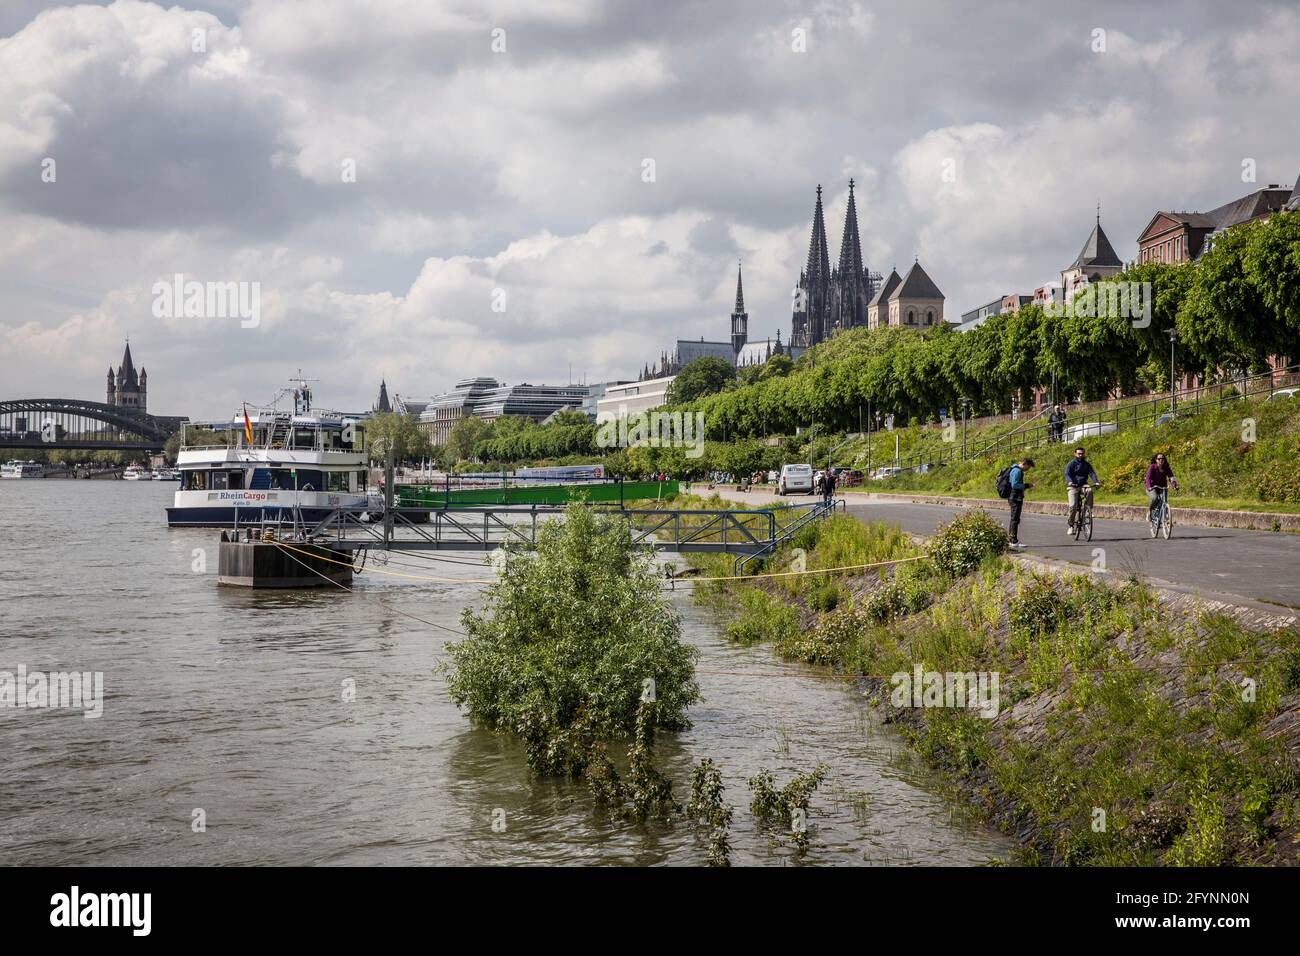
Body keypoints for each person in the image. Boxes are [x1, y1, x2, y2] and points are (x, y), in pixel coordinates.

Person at [1064, 446, 1100, 535]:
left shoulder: (1086, 464)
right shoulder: (1071, 464)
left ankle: (1088, 511)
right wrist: (1069, 481)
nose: (1080, 455)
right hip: (1073, 486)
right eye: (1079, 453)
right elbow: (1067, 474)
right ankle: (1071, 525)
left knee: (1090, 491)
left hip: (1083, 484)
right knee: (1073, 506)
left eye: (1082, 453)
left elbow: (1092, 473)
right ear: (1075, 454)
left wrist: (1096, 481)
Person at [1007, 457, 1034, 548]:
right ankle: (1013, 541)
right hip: (1015, 498)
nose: (1028, 469)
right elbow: (1014, 485)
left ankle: (1012, 540)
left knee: (1014, 519)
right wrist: (1026, 485)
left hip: (1014, 497)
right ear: (1024, 464)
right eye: (1028, 467)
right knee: (1014, 519)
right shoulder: (1017, 471)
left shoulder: (1014, 469)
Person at [1145, 453, 1178, 521]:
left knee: (1164, 501)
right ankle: (1150, 511)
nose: (1161, 460)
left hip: (1162, 487)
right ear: (1156, 460)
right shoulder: (1152, 467)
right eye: (1159, 459)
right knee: (1155, 498)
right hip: (1152, 487)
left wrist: (1174, 485)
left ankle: (1165, 519)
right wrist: (1149, 487)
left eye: (1162, 459)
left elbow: (1171, 477)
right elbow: (1148, 478)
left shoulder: (1166, 467)